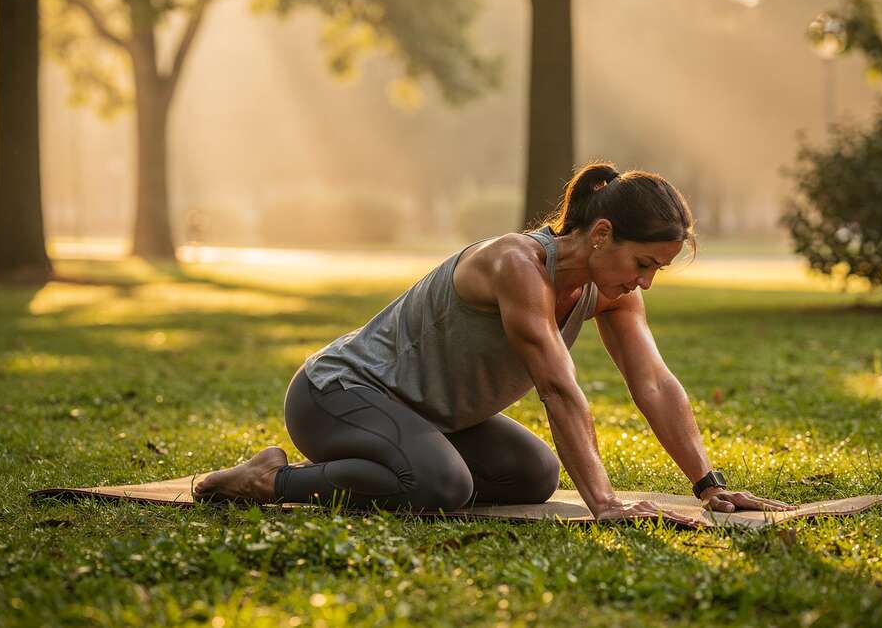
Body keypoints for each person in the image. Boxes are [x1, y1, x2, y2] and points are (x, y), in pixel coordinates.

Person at [195, 161, 793, 520]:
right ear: (601, 233)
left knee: (535, 474)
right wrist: (604, 502)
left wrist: (709, 485)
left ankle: (399, 461)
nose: (645, 282)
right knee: (440, 486)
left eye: (655, 270)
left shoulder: (611, 289)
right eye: (643, 263)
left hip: (426, 414)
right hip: (338, 393)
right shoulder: (515, 264)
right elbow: (558, 388)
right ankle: (267, 480)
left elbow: (655, 382)